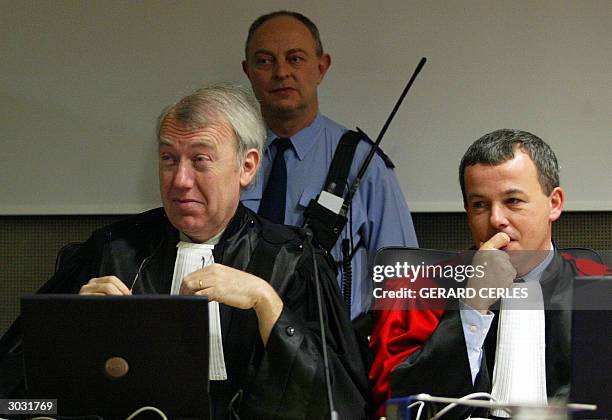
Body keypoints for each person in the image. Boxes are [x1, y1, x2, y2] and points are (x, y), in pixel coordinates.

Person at [0, 85, 369, 419]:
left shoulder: (293, 260)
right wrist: (69, 332)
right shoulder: (110, 251)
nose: (180, 180)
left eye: (200, 159)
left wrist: (266, 303)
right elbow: (13, 402)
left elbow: (342, 406)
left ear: (247, 166)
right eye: (168, 159)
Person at [369, 129, 611, 418]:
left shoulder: (600, 288)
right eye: (480, 205)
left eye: (513, 201)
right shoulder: (415, 293)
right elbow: (398, 409)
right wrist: (472, 307)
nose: (496, 220)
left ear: (554, 203)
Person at [240, 10, 418, 320]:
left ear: (322, 68)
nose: (281, 72)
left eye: (295, 59)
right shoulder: (223, 160)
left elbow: (404, 285)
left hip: (331, 352)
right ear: (248, 72)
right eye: (265, 61)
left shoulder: (363, 164)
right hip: (238, 345)